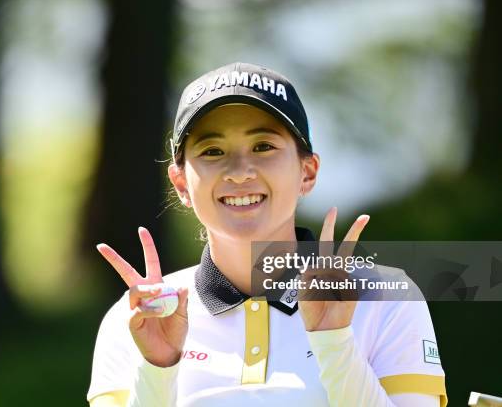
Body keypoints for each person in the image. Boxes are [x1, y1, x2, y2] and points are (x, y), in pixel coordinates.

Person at [86, 62, 447, 406]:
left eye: (263, 147)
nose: (240, 172)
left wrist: (335, 345)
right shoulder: (135, 320)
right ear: (181, 182)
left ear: (307, 172)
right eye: (212, 151)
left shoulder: (387, 300)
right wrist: (158, 370)